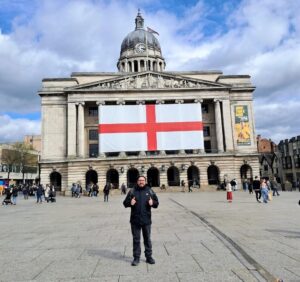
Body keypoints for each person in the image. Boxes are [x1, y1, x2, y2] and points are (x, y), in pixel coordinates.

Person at [123, 176, 159, 266]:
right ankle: (136, 258)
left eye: (143, 180)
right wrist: (130, 203)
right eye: (139, 180)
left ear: (145, 181)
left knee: (147, 239)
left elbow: (156, 203)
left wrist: (153, 203)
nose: (141, 182)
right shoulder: (132, 191)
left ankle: (149, 257)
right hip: (135, 220)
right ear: (137, 181)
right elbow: (125, 203)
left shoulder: (149, 191)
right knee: (136, 240)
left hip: (146, 220)